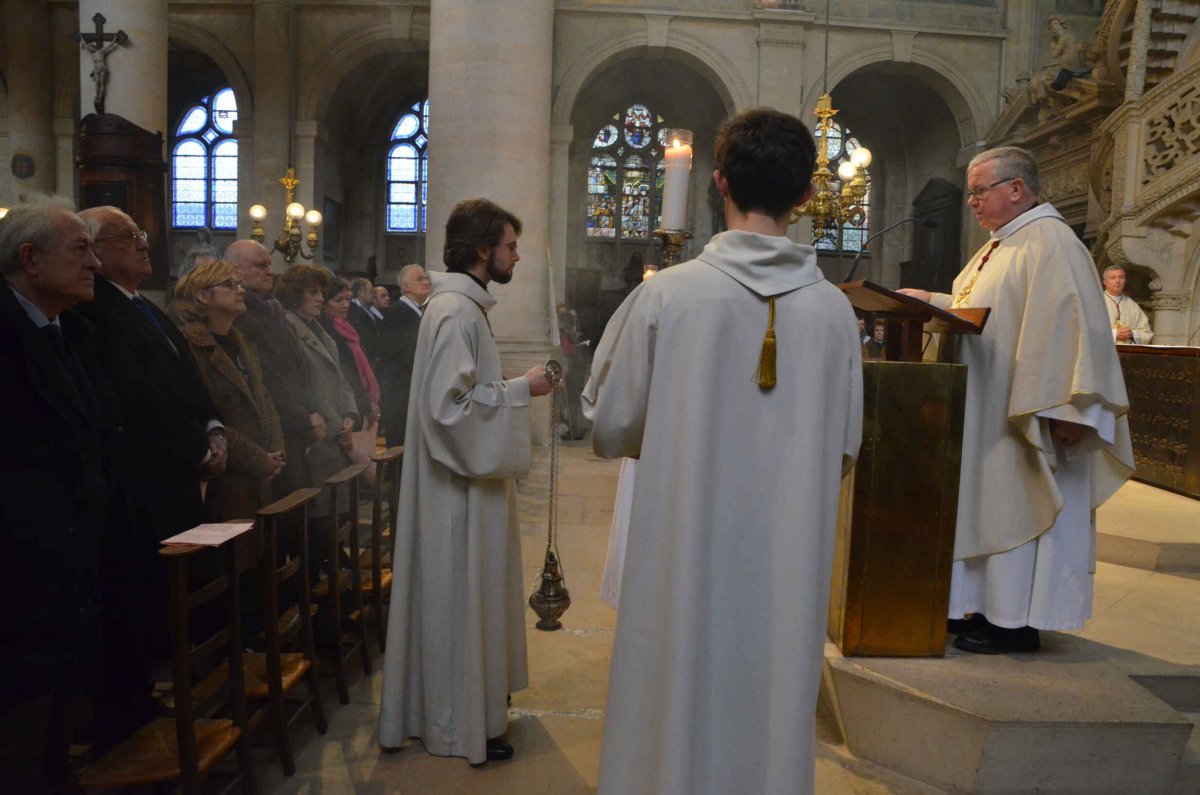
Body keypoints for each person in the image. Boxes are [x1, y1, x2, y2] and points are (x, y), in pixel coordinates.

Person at [582, 108, 863, 795]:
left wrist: (685, 435)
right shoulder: (833, 312)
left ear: (717, 181)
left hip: (683, 547)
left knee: (670, 690)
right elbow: (846, 450)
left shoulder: (668, 296)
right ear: (804, 196)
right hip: (784, 561)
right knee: (768, 703)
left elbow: (609, 424)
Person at [898, 146, 1133, 654]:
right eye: (972, 193)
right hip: (987, 408)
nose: (972, 203)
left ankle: (1014, 622)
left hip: (1031, 416)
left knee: (1015, 502)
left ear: (1016, 189)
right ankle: (976, 607)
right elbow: (987, 314)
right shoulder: (1000, 246)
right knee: (986, 504)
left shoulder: (1052, 242)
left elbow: (1078, 331)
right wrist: (931, 302)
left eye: (979, 191)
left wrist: (1074, 412)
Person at [377, 199, 554, 765]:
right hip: (455, 493)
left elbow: (462, 394)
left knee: (464, 602)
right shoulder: (454, 311)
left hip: (465, 487)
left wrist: (504, 388)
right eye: (509, 246)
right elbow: (449, 410)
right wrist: (520, 388)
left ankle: (470, 713)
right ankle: (456, 727)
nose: (516, 256)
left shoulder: (462, 306)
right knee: (457, 602)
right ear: (483, 250)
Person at [76, 205, 226, 738]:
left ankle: (166, 697)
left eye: (141, 234)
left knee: (173, 596)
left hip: (177, 478)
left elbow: (187, 382)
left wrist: (213, 427)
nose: (143, 243)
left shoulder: (147, 308)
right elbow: (136, 399)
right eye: (127, 236)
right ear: (94, 248)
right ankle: (134, 722)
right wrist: (194, 444)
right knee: (138, 601)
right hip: (144, 486)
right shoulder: (93, 312)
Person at [0, 202, 123, 790]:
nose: (95, 263)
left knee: (49, 735)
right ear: (29, 259)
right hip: (19, 577)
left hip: (65, 570)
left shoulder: (65, 329)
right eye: (81, 249)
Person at [173, 259, 286, 521]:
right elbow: (211, 413)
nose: (241, 290)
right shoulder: (190, 345)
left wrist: (275, 453)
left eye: (239, 283)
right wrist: (259, 460)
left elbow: (264, 401)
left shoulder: (242, 342)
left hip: (260, 473)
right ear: (203, 297)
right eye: (230, 285)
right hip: (225, 477)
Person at [225, 239, 316, 495]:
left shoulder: (271, 310)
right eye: (261, 265)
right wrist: (303, 418)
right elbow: (267, 378)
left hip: (295, 426)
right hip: (275, 432)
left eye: (270, 265)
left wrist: (311, 409)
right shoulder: (241, 317)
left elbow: (296, 368)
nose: (271, 271)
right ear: (235, 270)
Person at [276, 264, 359, 507]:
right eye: (313, 293)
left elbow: (340, 377)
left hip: (335, 429)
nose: (321, 298)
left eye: (322, 292)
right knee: (319, 514)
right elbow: (305, 383)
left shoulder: (319, 328)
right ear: (295, 294)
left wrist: (350, 414)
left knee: (336, 512)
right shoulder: (289, 328)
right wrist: (336, 422)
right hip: (319, 432)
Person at [377, 263, 430, 446]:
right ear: (406, 287)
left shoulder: (420, 312)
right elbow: (406, 354)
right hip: (401, 396)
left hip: (413, 392)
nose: (426, 282)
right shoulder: (397, 312)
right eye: (419, 279)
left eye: (426, 278)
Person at [321, 275, 382, 420]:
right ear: (324, 303)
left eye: (347, 299)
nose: (345, 305)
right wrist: (365, 404)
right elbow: (347, 371)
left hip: (362, 399)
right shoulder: (328, 329)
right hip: (347, 405)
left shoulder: (347, 326)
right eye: (338, 300)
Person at [1101, 265, 1154, 344]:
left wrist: (1132, 334)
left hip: (1127, 353)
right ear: (1105, 282)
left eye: (1121, 277)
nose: (1118, 281)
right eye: (1113, 278)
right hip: (1104, 352)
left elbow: (1146, 333)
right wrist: (1114, 334)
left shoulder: (1132, 305)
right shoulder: (1097, 301)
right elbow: (1088, 330)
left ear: (1125, 280)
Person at [348, 276, 381, 362]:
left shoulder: (370, 310)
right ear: (361, 293)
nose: (374, 294)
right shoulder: (353, 312)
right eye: (371, 291)